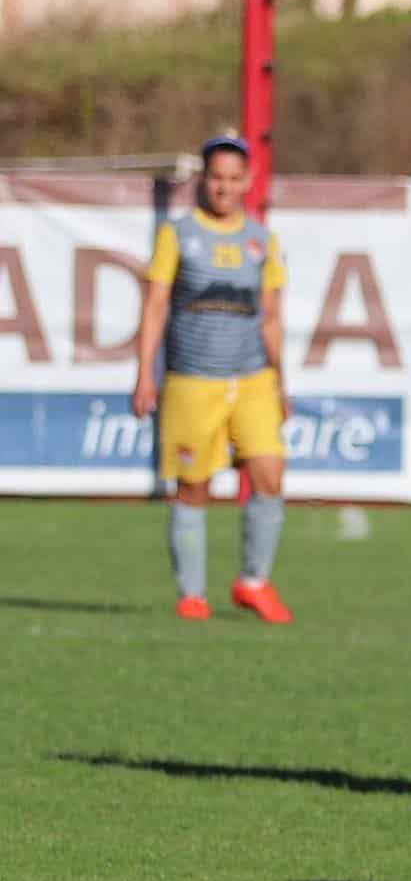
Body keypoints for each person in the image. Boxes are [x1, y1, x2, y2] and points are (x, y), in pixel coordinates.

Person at [131, 134, 293, 625]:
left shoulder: (262, 240)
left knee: (269, 474)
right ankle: (192, 595)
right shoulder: (177, 235)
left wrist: (282, 382)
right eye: (215, 177)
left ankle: (253, 582)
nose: (224, 187)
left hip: (252, 379)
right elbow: (157, 304)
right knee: (193, 487)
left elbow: (270, 317)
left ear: (247, 182)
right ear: (203, 179)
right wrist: (144, 374)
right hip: (192, 380)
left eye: (233, 178)